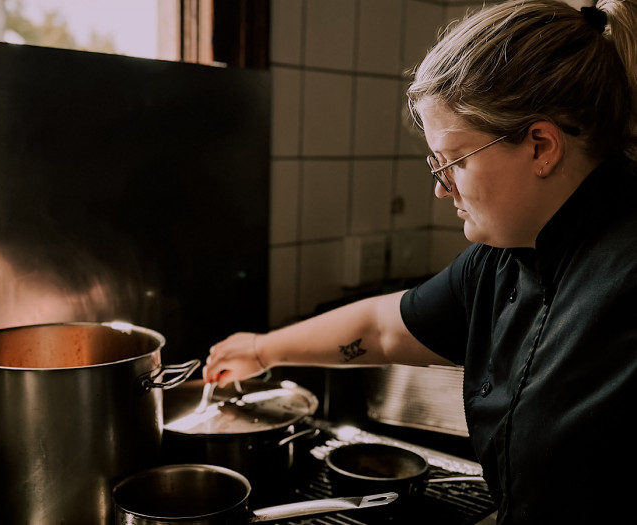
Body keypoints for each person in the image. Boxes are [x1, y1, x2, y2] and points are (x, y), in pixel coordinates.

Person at [204, 0, 637, 522]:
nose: (440, 187)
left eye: (454, 162)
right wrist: (261, 349)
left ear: (541, 146)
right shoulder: (501, 261)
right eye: (436, 164)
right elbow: (382, 328)